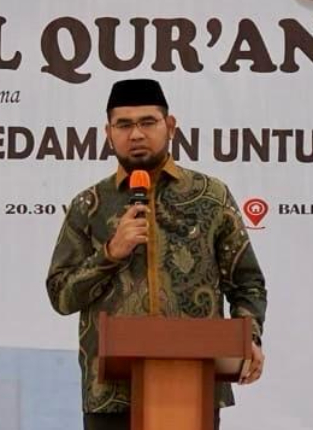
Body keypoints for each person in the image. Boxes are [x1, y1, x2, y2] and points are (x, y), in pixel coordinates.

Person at [45, 78, 268, 430]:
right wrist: (111, 253)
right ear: (108, 133)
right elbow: (61, 295)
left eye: (147, 122)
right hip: (110, 396)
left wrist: (249, 336)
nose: (136, 134)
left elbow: (247, 282)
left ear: (171, 126)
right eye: (124, 125)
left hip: (193, 385)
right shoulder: (89, 205)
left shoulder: (211, 197)